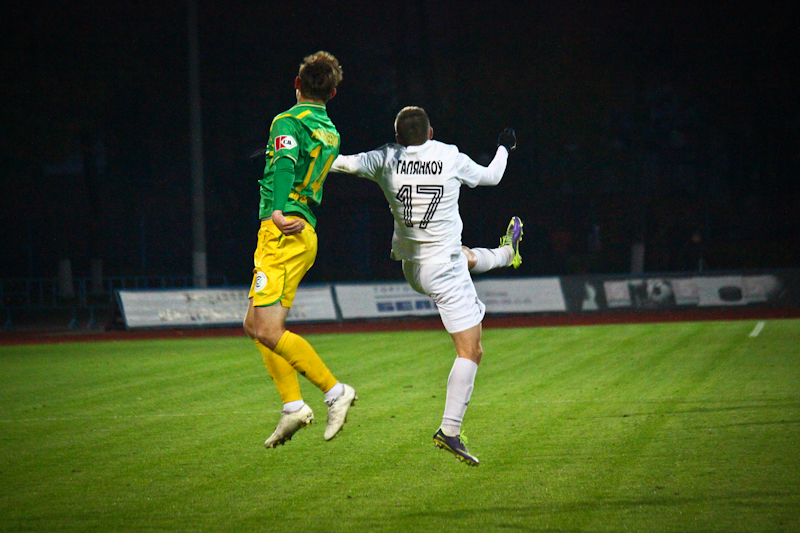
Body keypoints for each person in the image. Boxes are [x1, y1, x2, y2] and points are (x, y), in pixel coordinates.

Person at [331, 106, 522, 466]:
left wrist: (290, 154)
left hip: (411, 268)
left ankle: (506, 253)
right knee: (471, 351)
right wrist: (504, 146)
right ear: (431, 132)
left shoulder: (385, 157)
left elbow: (338, 163)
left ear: (398, 137)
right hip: (443, 272)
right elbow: (492, 177)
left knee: (463, 255)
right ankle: (450, 430)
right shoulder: (449, 156)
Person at [243, 51, 357, 449]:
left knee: (267, 329)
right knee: (254, 324)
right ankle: (293, 406)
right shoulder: (331, 131)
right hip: (303, 228)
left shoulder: (287, 121)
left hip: (284, 230)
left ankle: (334, 391)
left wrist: (277, 210)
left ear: (297, 84)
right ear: (333, 92)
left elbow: (287, 162)